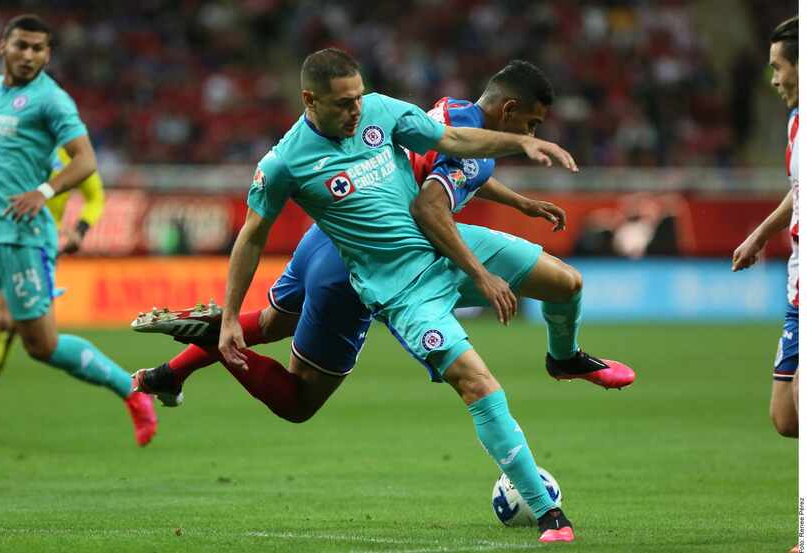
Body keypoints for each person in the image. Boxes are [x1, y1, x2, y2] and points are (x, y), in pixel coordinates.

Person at [144, 49, 634, 543]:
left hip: (444, 248)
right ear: (309, 100)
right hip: (399, 288)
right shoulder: (284, 163)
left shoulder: (379, 110)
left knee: (567, 282)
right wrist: (229, 315)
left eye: (358, 97)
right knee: (476, 384)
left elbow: (451, 140)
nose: (357, 110)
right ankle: (551, 514)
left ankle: (564, 357)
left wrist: (520, 148)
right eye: (343, 103)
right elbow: (251, 235)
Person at [0, 14, 157, 446]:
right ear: (3, 46)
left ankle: (131, 391)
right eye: (21, 45)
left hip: (22, 240)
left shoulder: (51, 101)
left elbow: (86, 161)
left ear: (48, 55)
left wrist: (44, 190)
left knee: (41, 345)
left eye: (38, 48)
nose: (29, 55)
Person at [0, 146, 105, 438]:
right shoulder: (7, 141)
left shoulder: (69, 152)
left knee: (6, 325)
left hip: (36, 248)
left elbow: (95, 196)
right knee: (5, 323)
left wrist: (80, 230)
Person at [731, 17, 798, 553]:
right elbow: (798, 193)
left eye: (779, 66)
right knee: (786, 417)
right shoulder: (797, 124)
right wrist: (760, 234)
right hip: (797, 287)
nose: (773, 78)